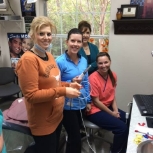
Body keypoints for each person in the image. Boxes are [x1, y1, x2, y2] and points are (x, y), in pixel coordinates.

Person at [16, 16, 82, 153]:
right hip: (43, 122)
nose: (46, 37)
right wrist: (64, 92)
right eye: (41, 33)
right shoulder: (28, 60)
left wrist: (68, 85)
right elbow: (31, 95)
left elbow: (54, 83)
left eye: (48, 34)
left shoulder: (49, 56)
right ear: (33, 35)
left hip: (56, 117)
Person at [56, 28, 91, 153]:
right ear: (67, 42)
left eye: (79, 42)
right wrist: (70, 84)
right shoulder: (59, 62)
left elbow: (86, 82)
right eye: (73, 41)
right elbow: (55, 86)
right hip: (67, 107)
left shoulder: (84, 61)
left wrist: (88, 101)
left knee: (77, 137)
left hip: (80, 105)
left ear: (82, 43)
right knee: (74, 139)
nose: (75, 44)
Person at [87, 52, 128, 153]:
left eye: (106, 62)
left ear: (110, 62)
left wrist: (116, 110)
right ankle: (116, 151)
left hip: (107, 106)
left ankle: (123, 147)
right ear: (97, 64)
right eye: (100, 63)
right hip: (94, 110)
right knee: (122, 128)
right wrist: (112, 114)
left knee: (128, 119)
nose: (103, 65)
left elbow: (112, 95)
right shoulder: (93, 78)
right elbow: (96, 101)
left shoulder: (113, 75)